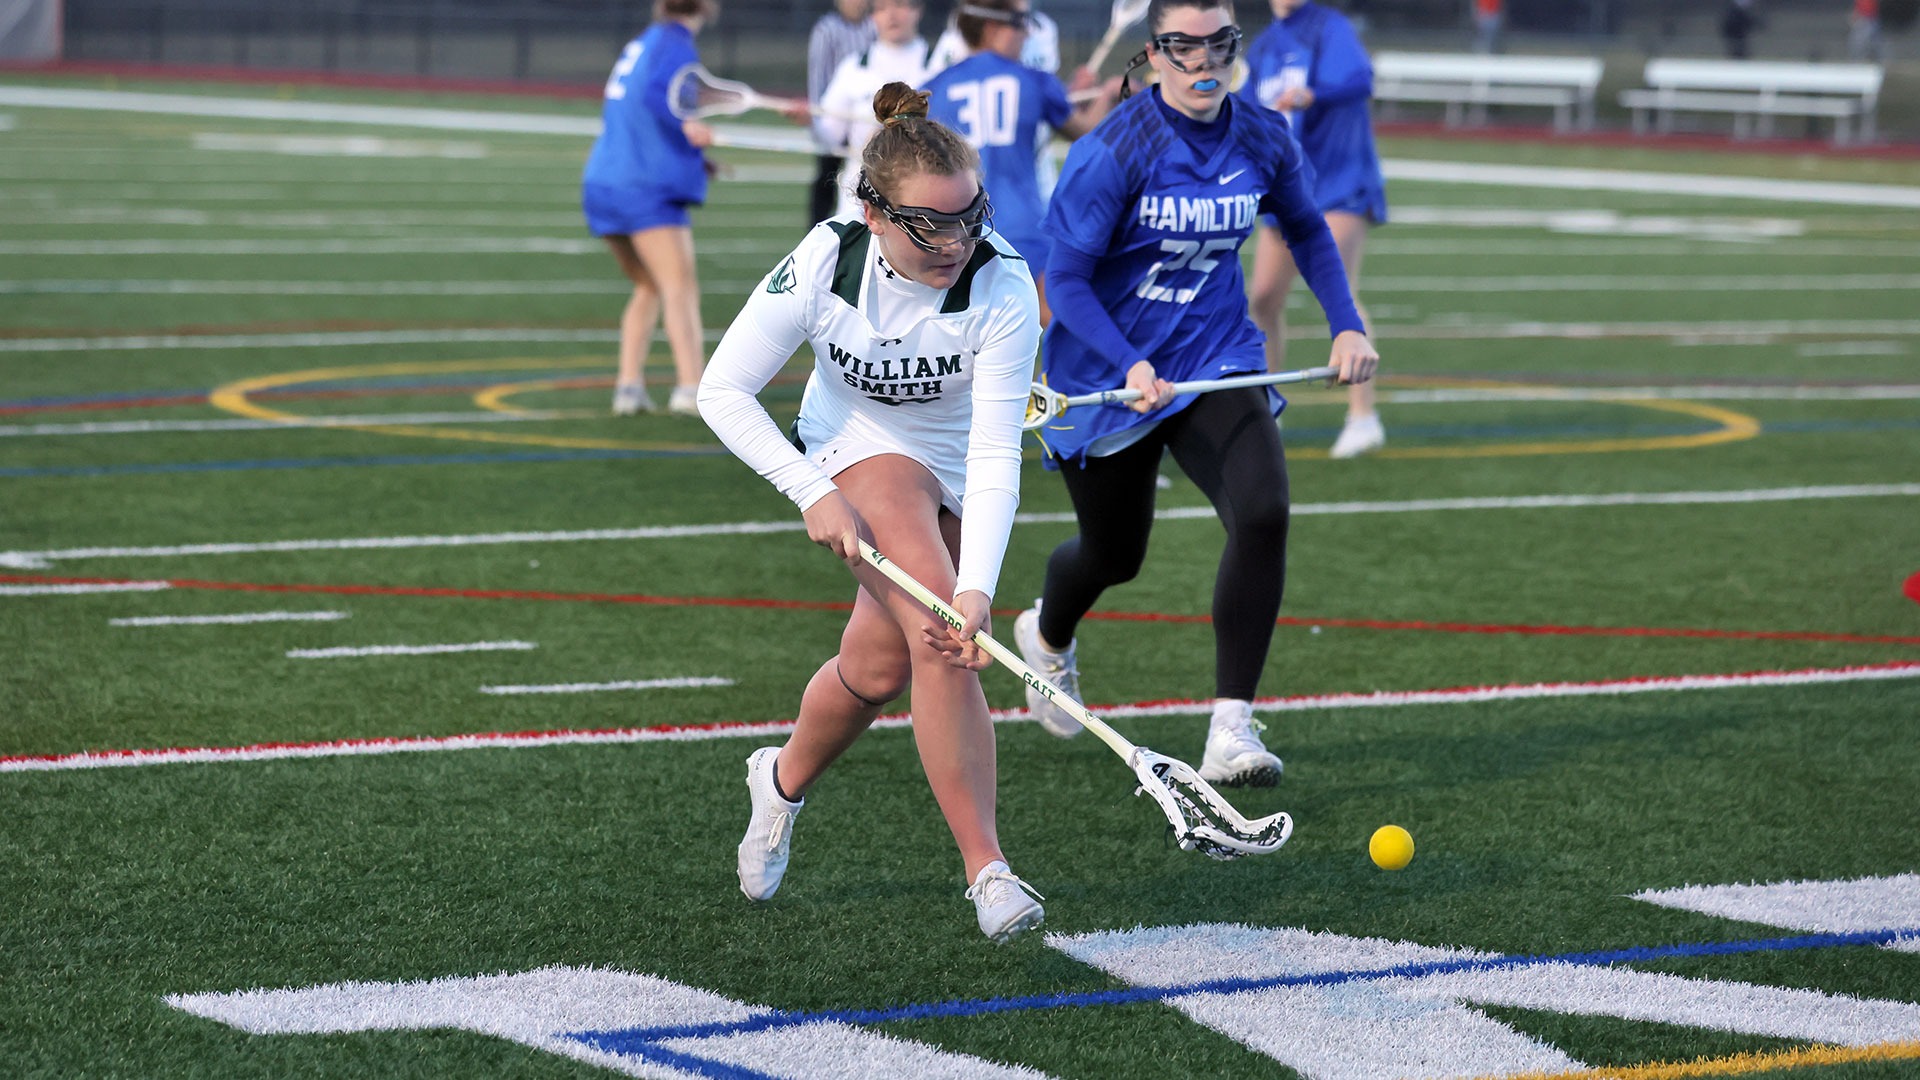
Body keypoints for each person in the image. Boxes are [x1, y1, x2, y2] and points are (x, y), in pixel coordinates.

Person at [698, 84, 1046, 942]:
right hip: (855, 444)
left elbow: (1000, 450)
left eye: (971, 217)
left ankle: (778, 782)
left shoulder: (1003, 287)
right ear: (874, 214)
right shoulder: (826, 260)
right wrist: (813, 490)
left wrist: (982, 588)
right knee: (937, 623)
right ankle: (988, 870)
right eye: (932, 224)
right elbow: (722, 390)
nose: (958, 242)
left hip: (960, 462)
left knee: (881, 669)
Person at [1013, 0, 1377, 787]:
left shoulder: (1261, 134)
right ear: (1152, 53)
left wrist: (1345, 325)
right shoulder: (1113, 151)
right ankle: (1046, 635)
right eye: (1183, 47)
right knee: (1115, 554)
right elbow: (1065, 281)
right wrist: (1127, 361)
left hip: (1214, 356)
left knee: (1264, 509)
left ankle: (1231, 729)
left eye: (1220, 44)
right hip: (1106, 376)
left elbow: (1308, 228)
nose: (1204, 62)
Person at [1242, 0, 1389, 459]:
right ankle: (1267, 415)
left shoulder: (1330, 27)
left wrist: (1313, 94)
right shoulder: (1264, 45)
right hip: (1288, 187)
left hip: (1339, 181)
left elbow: (1360, 79)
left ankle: (1363, 417)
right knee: (1263, 297)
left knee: (1340, 289)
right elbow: (1243, 109)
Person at [924, 0, 1115, 325]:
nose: (1026, 34)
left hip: (957, 228)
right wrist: (1109, 94)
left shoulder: (935, 87)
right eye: (1020, 24)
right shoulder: (1032, 79)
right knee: (1048, 324)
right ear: (992, 28)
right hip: (1022, 223)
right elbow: (1088, 132)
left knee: (962, 333)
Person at [581, 0, 717, 417]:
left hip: (603, 181)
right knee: (680, 286)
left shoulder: (644, 41)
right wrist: (687, 127)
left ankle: (628, 388)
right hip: (644, 187)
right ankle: (691, 388)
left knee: (649, 285)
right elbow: (663, 96)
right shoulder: (675, 45)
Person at [816, 0, 935, 220]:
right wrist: (808, 121)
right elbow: (830, 137)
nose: (891, 15)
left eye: (900, 5)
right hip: (861, 199)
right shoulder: (853, 67)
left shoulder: (939, 66)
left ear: (918, 9)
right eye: (881, 8)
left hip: (922, 196)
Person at [808, 0, 877, 225]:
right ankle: (817, 233)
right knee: (826, 179)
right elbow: (819, 75)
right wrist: (820, 115)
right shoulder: (826, 29)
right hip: (836, 115)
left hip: (862, 120)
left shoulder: (872, 26)